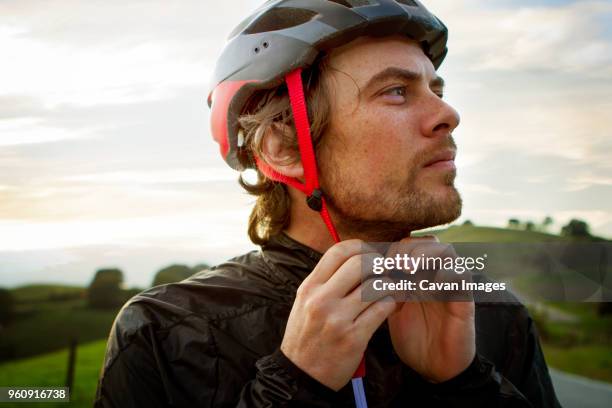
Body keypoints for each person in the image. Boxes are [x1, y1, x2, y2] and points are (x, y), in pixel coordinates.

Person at [94, 1, 561, 406]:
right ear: (285, 148)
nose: (448, 114)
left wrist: (466, 387)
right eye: (396, 91)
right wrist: (295, 385)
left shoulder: (494, 314)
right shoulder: (166, 333)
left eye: (436, 90)